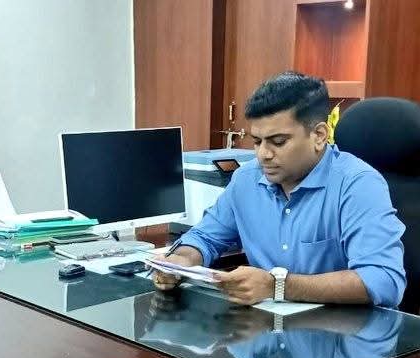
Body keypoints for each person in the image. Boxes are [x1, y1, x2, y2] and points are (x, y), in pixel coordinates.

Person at [153, 72, 406, 307]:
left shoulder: (358, 185)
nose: (263, 154)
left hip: (341, 333)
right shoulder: (246, 180)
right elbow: (205, 237)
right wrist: (181, 260)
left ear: (319, 136)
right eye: (257, 141)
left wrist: (278, 286)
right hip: (265, 329)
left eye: (278, 142)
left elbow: (383, 280)